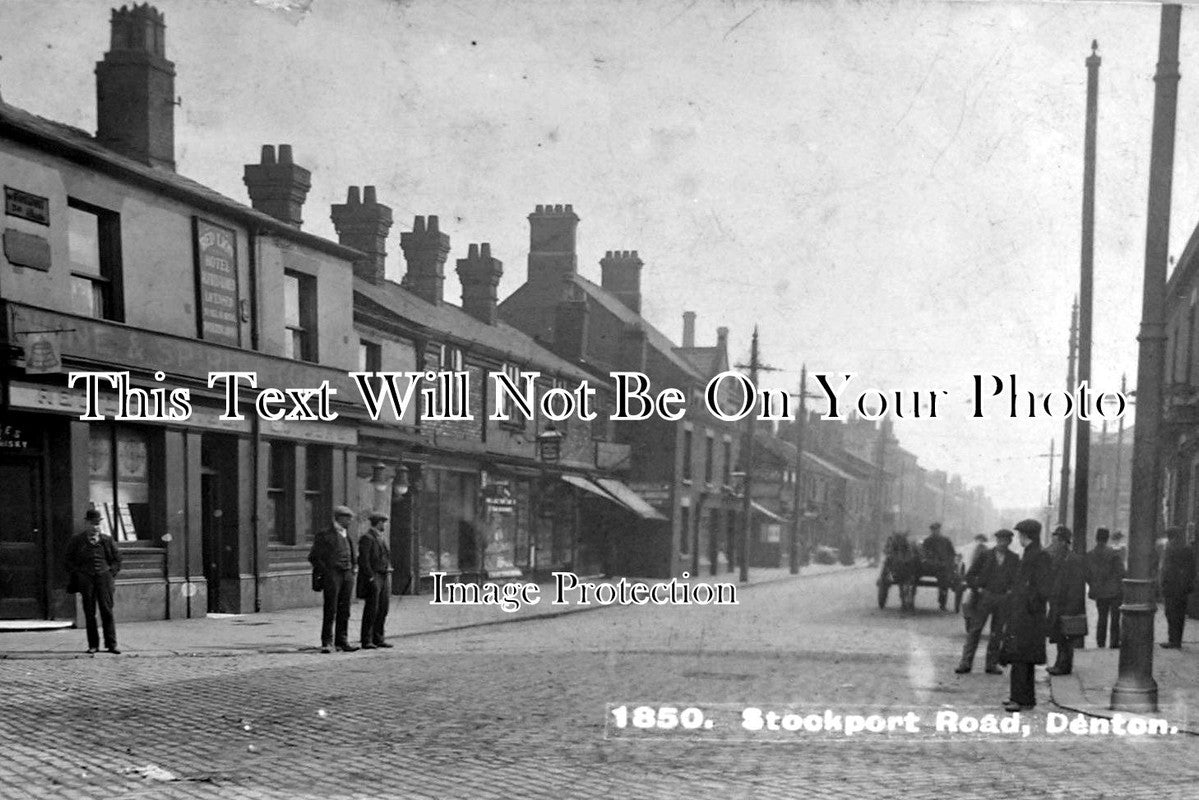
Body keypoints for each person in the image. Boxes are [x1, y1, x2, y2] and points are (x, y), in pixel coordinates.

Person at [1000, 518, 1054, 712]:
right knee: (1024, 658)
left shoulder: (1039, 556)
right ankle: (1026, 698)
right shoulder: (1032, 554)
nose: (1019, 539)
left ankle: (1018, 699)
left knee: (1020, 657)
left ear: (1027, 536)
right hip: (1025, 614)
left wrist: (1026, 601)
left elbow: (1042, 588)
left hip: (1028, 616)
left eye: (1021, 535)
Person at [955, 528, 1019, 675]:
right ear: (996, 540)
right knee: (975, 630)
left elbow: (1017, 580)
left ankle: (992, 664)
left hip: (1003, 599)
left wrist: (1010, 591)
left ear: (1010, 541)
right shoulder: (985, 555)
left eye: (1006, 540)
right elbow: (970, 575)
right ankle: (965, 662)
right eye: (1000, 540)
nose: (1003, 543)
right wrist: (978, 589)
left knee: (997, 632)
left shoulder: (1014, 558)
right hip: (984, 597)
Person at [64, 508, 122, 654]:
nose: (95, 527)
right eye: (92, 524)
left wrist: (110, 573)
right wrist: (79, 574)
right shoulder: (77, 540)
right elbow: (68, 560)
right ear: (86, 523)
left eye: (97, 524)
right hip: (86, 579)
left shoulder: (107, 540)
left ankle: (111, 644)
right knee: (89, 612)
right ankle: (93, 645)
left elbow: (117, 560)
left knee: (107, 611)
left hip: (104, 579)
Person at [308, 505, 359, 654]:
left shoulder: (347, 535)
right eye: (347, 518)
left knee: (345, 609)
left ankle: (342, 641)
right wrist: (327, 571)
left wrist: (353, 568)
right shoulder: (324, 535)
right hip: (333, 576)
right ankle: (327, 642)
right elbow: (314, 557)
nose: (350, 521)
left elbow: (352, 553)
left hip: (347, 575)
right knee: (331, 609)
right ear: (339, 518)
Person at [1046, 525, 1087, 675]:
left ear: (1064, 542)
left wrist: (1071, 608)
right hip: (1058, 603)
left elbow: (1076, 586)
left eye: (1056, 541)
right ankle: (1059, 663)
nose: (1054, 544)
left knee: (1066, 638)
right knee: (1059, 637)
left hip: (1068, 605)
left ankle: (1063, 666)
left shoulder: (1073, 559)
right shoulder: (1060, 557)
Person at [357, 511, 394, 650]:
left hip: (384, 576)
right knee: (372, 609)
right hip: (374, 577)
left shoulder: (380, 538)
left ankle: (378, 638)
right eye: (383, 522)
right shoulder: (367, 538)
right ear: (378, 523)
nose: (384, 525)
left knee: (383, 608)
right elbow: (364, 560)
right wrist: (370, 577)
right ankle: (366, 640)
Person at [1086, 527, 1125, 649]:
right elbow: (1121, 572)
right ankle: (1114, 642)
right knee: (1115, 618)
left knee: (1101, 617)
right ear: (1107, 538)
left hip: (1099, 591)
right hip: (1114, 591)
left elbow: (1087, 574)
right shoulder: (1113, 554)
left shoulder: (1090, 554)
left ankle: (1100, 642)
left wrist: (1093, 584)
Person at [1159, 526, 1196, 649]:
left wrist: (1162, 582)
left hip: (1171, 587)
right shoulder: (1187, 548)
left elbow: (1167, 569)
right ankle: (1177, 640)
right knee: (1179, 614)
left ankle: (1173, 640)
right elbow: (1192, 569)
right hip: (1183, 588)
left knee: (1171, 613)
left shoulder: (1170, 548)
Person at [921, 521, 957, 610]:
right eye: (933, 530)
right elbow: (923, 552)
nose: (935, 532)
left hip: (942, 567)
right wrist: (927, 559)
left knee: (944, 584)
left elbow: (952, 553)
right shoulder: (927, 541)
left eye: (936, 530)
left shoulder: (946, 541)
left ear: (939, 530)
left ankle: (942, 603)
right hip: (929, 566)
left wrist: (948, 562)